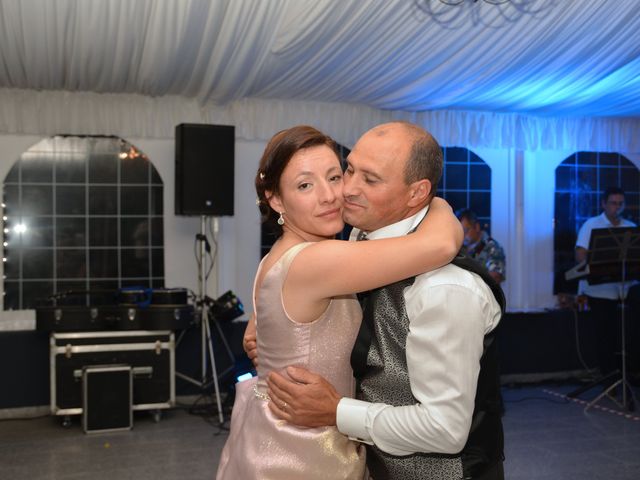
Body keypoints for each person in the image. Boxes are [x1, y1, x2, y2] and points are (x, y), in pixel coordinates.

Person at [216, 125, 463, 480]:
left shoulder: (286, 254)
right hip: (302, 452)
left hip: (276, 436)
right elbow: (440, 246)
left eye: (335, 176)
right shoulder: (315, 261)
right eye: (305, 185)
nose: (330, 195)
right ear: (275, 199)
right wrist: (433, 199)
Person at [264, 122, 505, 480]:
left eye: (370, 180)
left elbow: (445, 429)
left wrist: (337, 412)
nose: (345, 190)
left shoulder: (444, 289)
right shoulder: (361, 234)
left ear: (415, 193)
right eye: (349, 170)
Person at [575, 186, 636, 377]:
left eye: (620, 203)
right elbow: (580, 254)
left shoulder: (630, 227)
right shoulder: (592, 225)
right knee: (606, 334)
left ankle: (630, 372)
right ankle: (609, 376)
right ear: (604, 204)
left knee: (628, 332)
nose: (617, 207)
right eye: (613, 203)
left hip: (625, 288)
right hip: (599, 289)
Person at [457, 208, 506, 284]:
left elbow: (495, 278)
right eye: (460, 232)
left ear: (477, 227)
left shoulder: (492, 247)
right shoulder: (458, 248)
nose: (463, 236)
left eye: (465, 231)